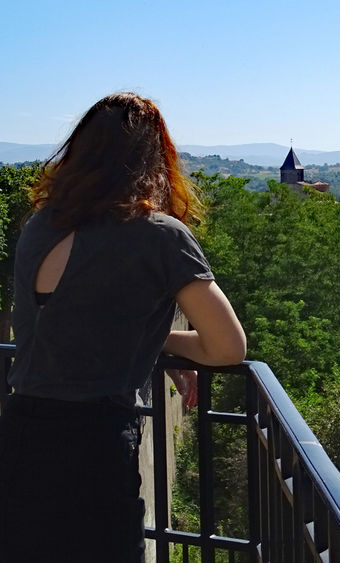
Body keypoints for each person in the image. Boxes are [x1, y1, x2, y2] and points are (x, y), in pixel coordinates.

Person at [0, 93, 246, 562]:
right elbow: (227, 348)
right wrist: (165, 343)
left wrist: (148, 343)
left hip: (20, 433)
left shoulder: (39, 226)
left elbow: (70, 326)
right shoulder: (159, 235)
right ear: (157, 158)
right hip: (94, 444)